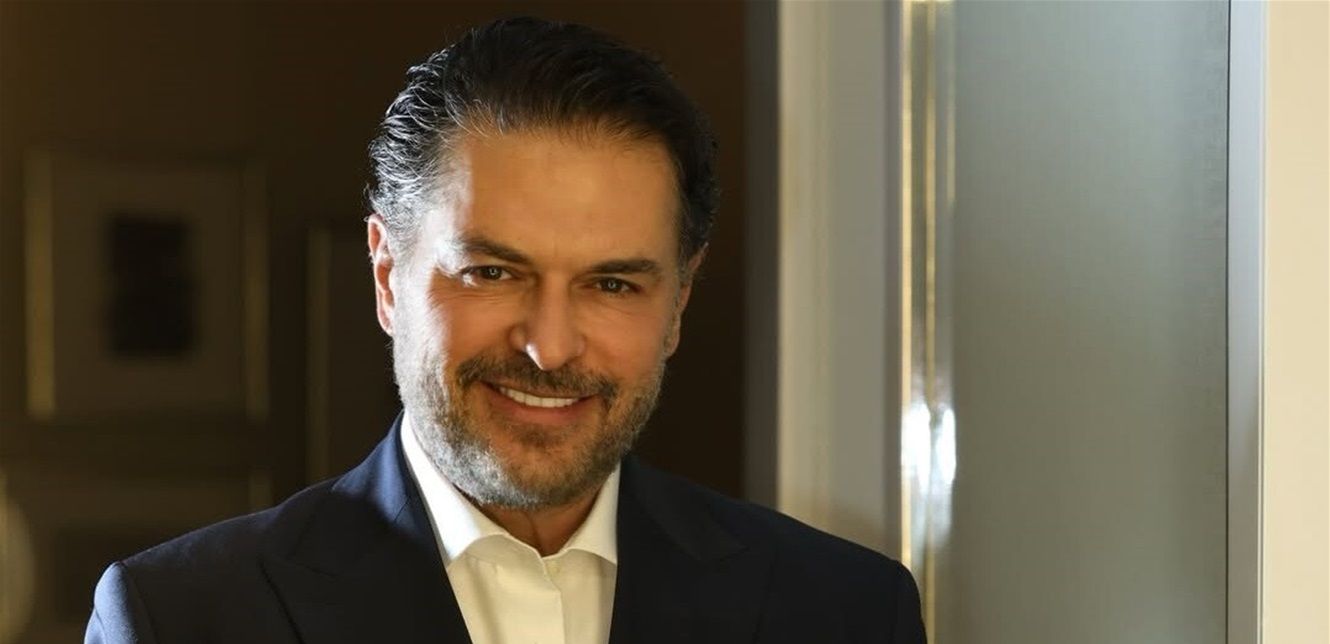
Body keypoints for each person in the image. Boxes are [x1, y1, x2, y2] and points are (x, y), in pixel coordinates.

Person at [85, 16, 925, 644]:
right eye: (492, 272)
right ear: (386, 274)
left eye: (612, 284)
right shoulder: (181, 619)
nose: (550, 348)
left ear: (678, 303)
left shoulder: (846, 612)